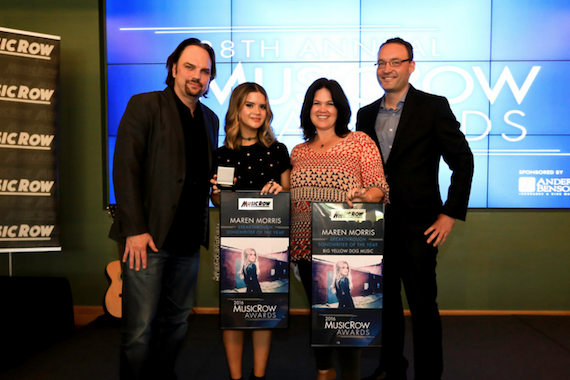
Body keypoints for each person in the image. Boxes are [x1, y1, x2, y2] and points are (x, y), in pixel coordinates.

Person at [356, 37, 474, 380]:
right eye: (381, 63)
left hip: (420, 227)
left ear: (411, 66)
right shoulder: (365, 115)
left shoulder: (433, 106)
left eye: (395, 62)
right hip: (375, 227)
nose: (387, 69)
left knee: (423, 307)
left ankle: (428, 375)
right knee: (386, 305)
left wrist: (450, 213)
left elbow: (463, 161)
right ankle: (392, 368)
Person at [109, 38, 219, 380]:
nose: (196, 76)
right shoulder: (144, 105)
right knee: (140, 331)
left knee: (176, 325)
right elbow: (125, 169)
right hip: (148, 239)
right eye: (189, 67)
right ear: (173, 69)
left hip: (188, 243)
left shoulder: (210, 119)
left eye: (204, 71)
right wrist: (135, 230)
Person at [290, 78, 389, 380]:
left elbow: (379, 188)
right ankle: (324, 371)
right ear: (308, 109)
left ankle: (349, 376)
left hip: (344, 246)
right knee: (319, 313)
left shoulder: (359, 142)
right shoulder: (297, 152)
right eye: (317, 103)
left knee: (346, 315)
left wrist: (365, 196)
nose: (323, 109)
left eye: (330, 103)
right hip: (305, 249)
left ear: (340, 108)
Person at [211, 82, 291, 380]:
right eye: (250, 105)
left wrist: (280, 190)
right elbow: (218, 200)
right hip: (231, 239)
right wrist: (216, 193)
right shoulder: (222, 154)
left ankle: (258, 376)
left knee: (262, 312)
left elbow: (289, 191)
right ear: (237, 109)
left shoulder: (277, 150)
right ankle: (235, 377)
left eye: (262, 105)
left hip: (268, 239)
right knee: (233, 313)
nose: (257, 111)